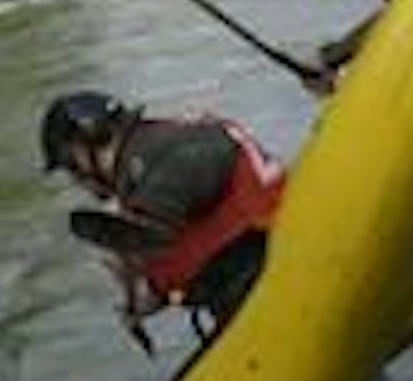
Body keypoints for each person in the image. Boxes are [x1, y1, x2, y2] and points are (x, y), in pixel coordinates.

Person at [40, 89, 285, 347]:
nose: (76, 180)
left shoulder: (156, 154)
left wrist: (139, 234)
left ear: (85, 147)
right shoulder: (159, 144)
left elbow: (210, 152)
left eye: (70, 164)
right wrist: (155, 289)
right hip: (262, 272)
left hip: (267, 278)